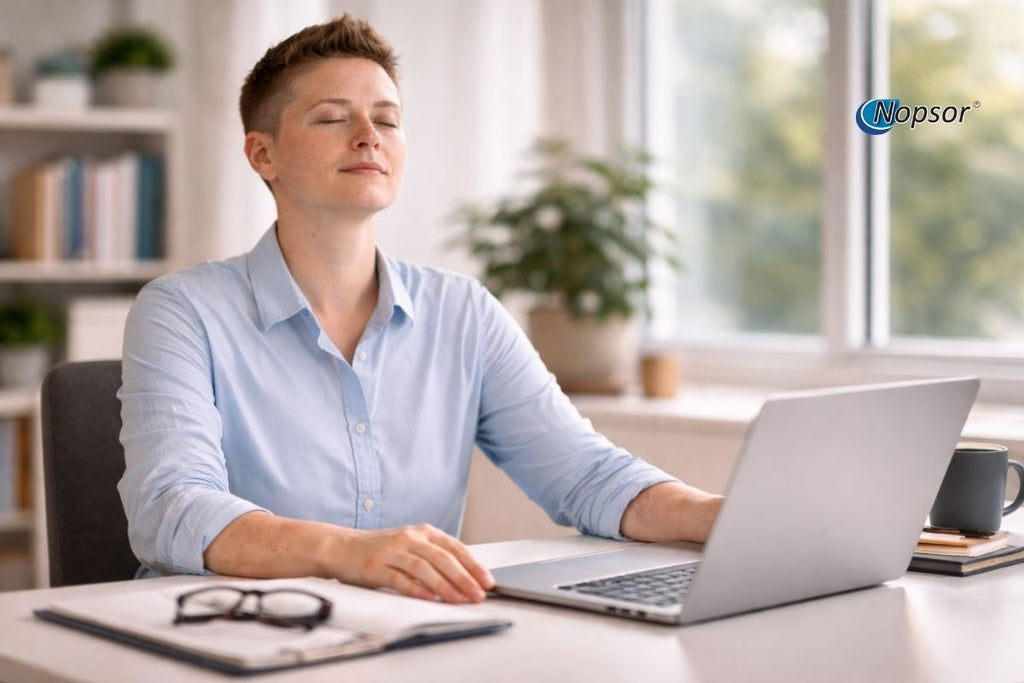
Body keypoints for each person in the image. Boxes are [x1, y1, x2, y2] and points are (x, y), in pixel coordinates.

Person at [117, 14, 723, 606]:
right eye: (332, 117)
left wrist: (724, 516)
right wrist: (346, 550)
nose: (368, 135)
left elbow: (586, 475)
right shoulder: (182, 311)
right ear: (262, 155)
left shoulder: (464, 311)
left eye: (387, 119)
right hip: (230, 632)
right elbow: (172, 508)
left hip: (407, 635)